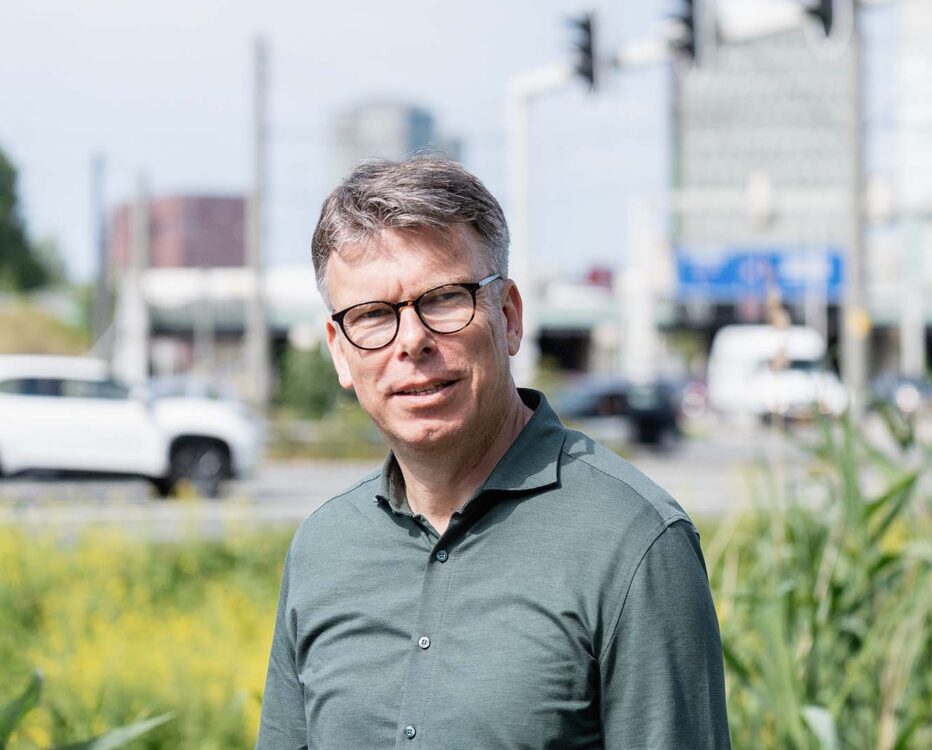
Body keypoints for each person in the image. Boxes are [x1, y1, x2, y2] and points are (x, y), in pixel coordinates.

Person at [256, 154, 730, 749]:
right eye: (373, 315)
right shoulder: (324, 547)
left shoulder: (632, 541)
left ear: (508, 317)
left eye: (445, 299)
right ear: (340, 352)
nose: (412, 342)